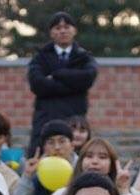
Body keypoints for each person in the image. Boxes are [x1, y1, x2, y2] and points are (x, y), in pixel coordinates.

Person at [27, 11, 98, 154]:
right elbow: (37, 84)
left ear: (74, 30)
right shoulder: (40, 57)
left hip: (74, 117)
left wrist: (56, 74)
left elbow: (87, 78)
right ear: (51, 32)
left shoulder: (83, 56)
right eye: (58, 28)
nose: (63, 31)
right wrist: (73, 85)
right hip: (46, 117)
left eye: (67, 27)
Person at [11, 119, 77, 195]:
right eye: (51, 142)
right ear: (44, 148)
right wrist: (27, 176)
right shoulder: (37, 171)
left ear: (72, 145)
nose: (57, 147)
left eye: (62, 141)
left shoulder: (82, 168)